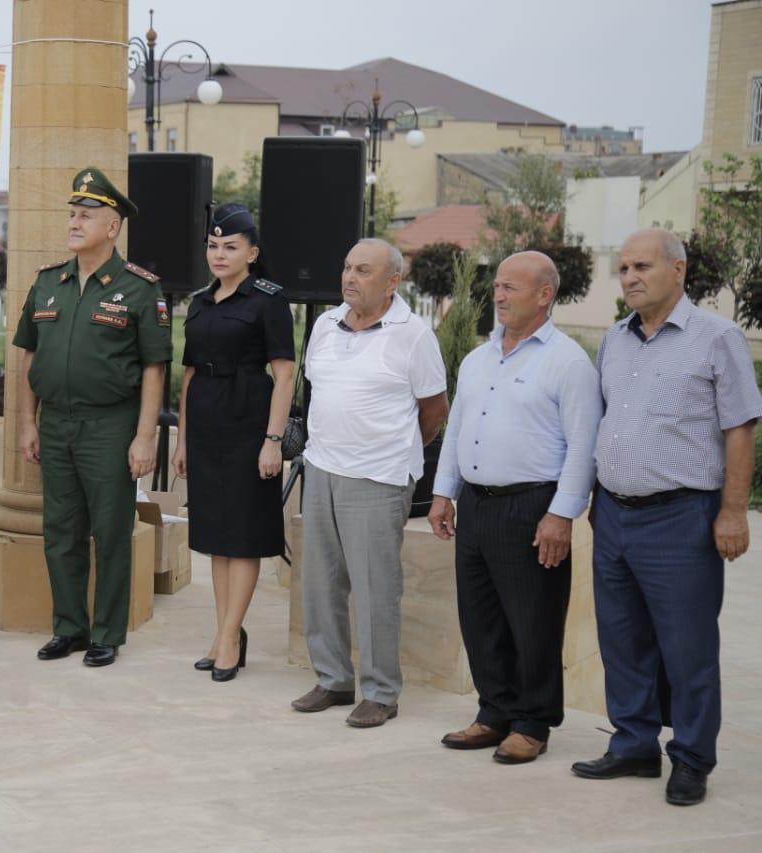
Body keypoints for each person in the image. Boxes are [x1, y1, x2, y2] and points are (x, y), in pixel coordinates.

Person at [570, 228, 762, 806]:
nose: (630, 277)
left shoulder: (717, 337)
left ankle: (692, 758)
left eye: (642, 267)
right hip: (615, 516)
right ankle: (633, 744)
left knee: (687, 648)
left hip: (682, 518)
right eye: (624, 267)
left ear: (678, 271)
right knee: (623, 641)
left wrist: (732, 512)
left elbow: (739, 428)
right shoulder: (616, 340)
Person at [426, 251, 601, 764]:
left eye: (511, 287)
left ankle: (532, 722)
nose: (498, 295)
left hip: (532, 508)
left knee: (533, 620)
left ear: (545, 295)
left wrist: (561, 514)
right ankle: (494, 711)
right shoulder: (478, 358)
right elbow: (457, 427)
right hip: (476, 505)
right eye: (497, 286)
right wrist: (443, 491)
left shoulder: (567, 361)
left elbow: (582, 444)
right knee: (480, 617)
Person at [14, 167, 171, 668]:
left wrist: (145, 436)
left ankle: (107, 632)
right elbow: (28, 357)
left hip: (110, 425)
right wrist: (27, 422)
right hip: (56, 423)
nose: (75, 222)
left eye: (87, 215)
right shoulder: (48, 283)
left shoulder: (140, 288)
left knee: (110, 531)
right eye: (73, 214)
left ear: (113, 226)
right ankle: (69, 627)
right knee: (61, 530)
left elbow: (154, 367)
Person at [292, 238, 448, 726]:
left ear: (393, 281)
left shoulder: (414, 335)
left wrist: (392, 452)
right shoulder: (324, 325)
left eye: (363, 270)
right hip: (321, 469)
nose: (349, 277)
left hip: (378, 479)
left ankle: (381, 692)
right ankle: (333, 680)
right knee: (320, 584)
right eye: (346, 267)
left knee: (376, 587)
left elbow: (435, 412)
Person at [173, 203, 295, 682]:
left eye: (230, 247)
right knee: (217, 539)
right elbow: (187, 376)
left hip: (248, 425)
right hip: (205, 428)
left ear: (252, 252)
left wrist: (272, 441)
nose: (219, 255)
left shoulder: (267, 300)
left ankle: (228, 638)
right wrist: (182, 440)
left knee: (242, 539)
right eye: (212, 246)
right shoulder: (201, 301)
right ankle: (227, 632)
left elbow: (284, 376)